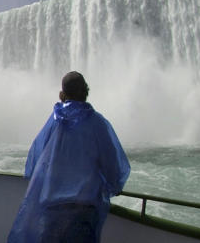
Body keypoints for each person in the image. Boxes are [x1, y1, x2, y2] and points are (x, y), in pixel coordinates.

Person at [7, 71, 130, 243]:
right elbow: (114, 168)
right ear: (86, 92)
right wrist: (114, 187)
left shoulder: (55, 122)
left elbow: (35, 159)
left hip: (52, 211)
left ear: (62, 94)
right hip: (84, 211)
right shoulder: (97, 124)